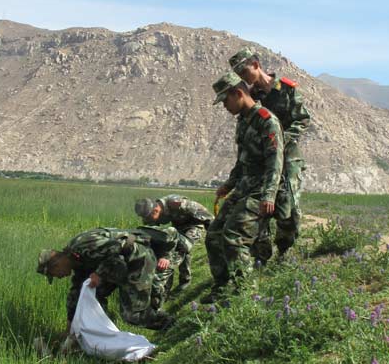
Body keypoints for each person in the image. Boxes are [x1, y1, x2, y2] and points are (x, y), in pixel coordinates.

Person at [203, 72, 284, 302]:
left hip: (261, 189)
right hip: (244, 186)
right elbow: (242, 161)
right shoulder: (243, 121)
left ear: (238, 93)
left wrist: (269, 195)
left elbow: (275, 162)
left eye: (225, 101)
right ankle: (222, 286)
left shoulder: (266, 120)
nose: (225, 107)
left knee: (234, 235)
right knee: (214, 235)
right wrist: (228, 185)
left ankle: (245, 292)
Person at [229, 46, 311, 259]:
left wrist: (282, 139)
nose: (244, 79)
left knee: (288, 208)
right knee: (259, 205)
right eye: (240, 76)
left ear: (256, 65)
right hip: (263, 160)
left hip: (288, 157)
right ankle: (261, 254)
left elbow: (302, 119)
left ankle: (285, 250)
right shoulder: (251, 96)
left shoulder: (286, 89)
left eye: (245, 72)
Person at [37, 226, 180, 331]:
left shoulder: (83, 245)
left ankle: (172, 325)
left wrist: (99, 273)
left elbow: (118, 253)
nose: (59, 277)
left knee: (133, 315)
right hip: (118, 267)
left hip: (137, 259)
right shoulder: (76, 261)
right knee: (92, 294)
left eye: (54, 274)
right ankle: (105, 331)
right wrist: (70, 325)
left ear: (56, 264)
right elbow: (76, 292)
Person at [134, 195, 213, 290]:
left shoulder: (175, 203)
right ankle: (183, 280)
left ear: (155, 210)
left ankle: (177, 282)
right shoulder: (150, 214)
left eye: (147, 217)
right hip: (178, 228)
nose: (146, 220)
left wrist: (214, 233)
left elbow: (206, 214)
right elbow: (152, 231)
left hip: (194, 225)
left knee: (183, 247)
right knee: (173, 247)